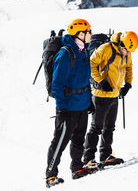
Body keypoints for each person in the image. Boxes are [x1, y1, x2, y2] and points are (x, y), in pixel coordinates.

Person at [45, 19, 94, 187]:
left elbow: (86, 79)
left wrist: (89, 100)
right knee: (60, 141)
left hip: (82, 104)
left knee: (79, 140)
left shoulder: (84, 51)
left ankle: (77, 168)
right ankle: (51, 175)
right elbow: (56, 84)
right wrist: (61, 107)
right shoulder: (65, 54)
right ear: (80, 34)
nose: (91, 34)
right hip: (68, 107)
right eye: (89, 31)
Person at [83, 31, 138, 167]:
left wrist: (128, 84)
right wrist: (101, 81)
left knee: (109, 127)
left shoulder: (127, 52)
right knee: (96, 128)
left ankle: (105, 155)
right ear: (121, 44)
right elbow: (90, 65)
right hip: (101, 95)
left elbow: (129, 67)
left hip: (114, 95)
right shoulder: (106, 49)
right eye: (126, 50)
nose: (127, 54)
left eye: (130, 52)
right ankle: (88, 159)